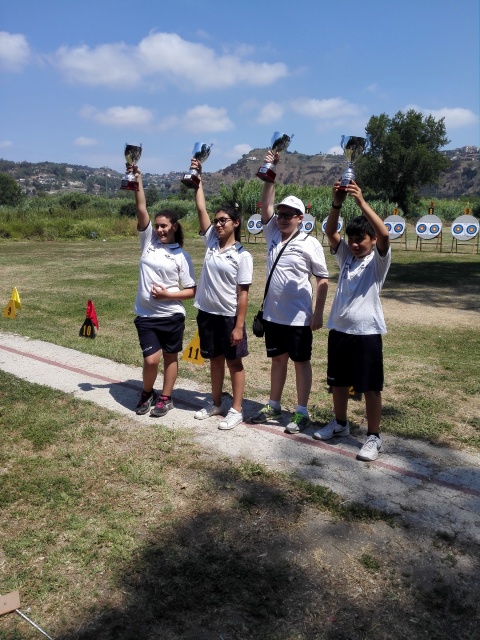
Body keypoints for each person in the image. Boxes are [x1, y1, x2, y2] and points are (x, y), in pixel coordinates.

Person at [251, 150, 329, 434]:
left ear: (300, 218)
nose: (281, 218)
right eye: (280, 215)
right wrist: (271, 169)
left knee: (300, 362)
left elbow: (322, 280)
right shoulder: (272, 233)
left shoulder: (310, 243)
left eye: (288, 215)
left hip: (299, 318)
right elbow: (266, 203)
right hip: (273, 316)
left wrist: (318, 314)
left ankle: (301, 411)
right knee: (277, 360)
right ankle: (273, 405)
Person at [313, 179, 391, 462]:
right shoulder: (345, 255)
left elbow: (384, 235)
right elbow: (330, 231)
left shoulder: (377, 261)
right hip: (340, 330)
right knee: (338, 383)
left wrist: (361, 202)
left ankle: (373, 437)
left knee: (370, 386)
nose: (356, 244)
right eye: (353, 239)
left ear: (370, 241)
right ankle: (340, 424)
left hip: (367, 332)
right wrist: (336, 203)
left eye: (361, 239)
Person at [191, 157, 253, 430]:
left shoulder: (242, 256)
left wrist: (239, 326)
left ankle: (236, 409)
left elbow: (243, 294)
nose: (217, 224)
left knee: (234, 363)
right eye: (216, 221)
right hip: (207, 314)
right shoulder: (211, 244)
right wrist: (198, 179)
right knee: (214, 361)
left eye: (223, 220)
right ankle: (216, 403)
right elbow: (200, 207)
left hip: (229, 317)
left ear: (236, 223)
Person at [130, 165, 196, 417]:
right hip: (146, 317)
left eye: (164, 226)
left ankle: (165, 397)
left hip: (171, 316)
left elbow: (191, 291)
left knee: (170, 358)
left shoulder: (181, 256)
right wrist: (138, 179)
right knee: (151, 360)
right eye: (157, 226)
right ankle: (147, 392)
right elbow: (141, 208)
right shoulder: (148, 243)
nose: (159, 230)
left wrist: (168, 295)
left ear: (175, 227)